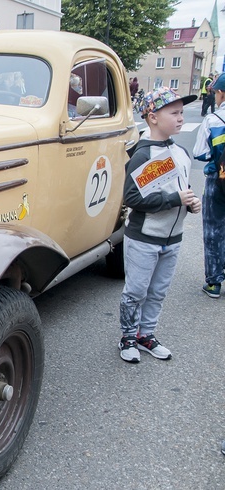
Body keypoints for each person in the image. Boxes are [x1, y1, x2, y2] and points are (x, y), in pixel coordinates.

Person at [118, 87, 200, 363]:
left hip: (173, 238)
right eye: (174, 113)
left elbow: (181, 187)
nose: (180, 118)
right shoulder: (143, 155)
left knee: (158, 291)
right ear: (152, 117)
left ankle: (146, 335)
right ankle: (128, 337)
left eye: (182, 113)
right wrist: (174, 198)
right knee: (136, 291)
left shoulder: (180, 152)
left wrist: (190, 202)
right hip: (144, 238)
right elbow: (131, 198)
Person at [193, 74, 225, 298]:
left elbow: (200, 153)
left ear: (221, 93)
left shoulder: (214, 120)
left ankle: (213, 283)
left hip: (218, 180)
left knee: (214, 229)